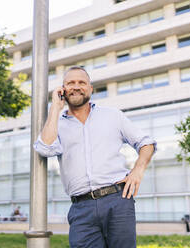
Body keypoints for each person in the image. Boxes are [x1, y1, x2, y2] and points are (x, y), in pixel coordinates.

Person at [34, 66, 156, 248]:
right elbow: (45, 148)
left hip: (117, 200)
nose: (76, 86)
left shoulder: (112, 116)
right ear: (62, 90)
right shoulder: (56, 124)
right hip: (81, 207)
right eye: (70, 83)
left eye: (81, 82)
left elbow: (146, 143)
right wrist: (55, 109)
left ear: (91, 89)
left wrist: (137, 171)